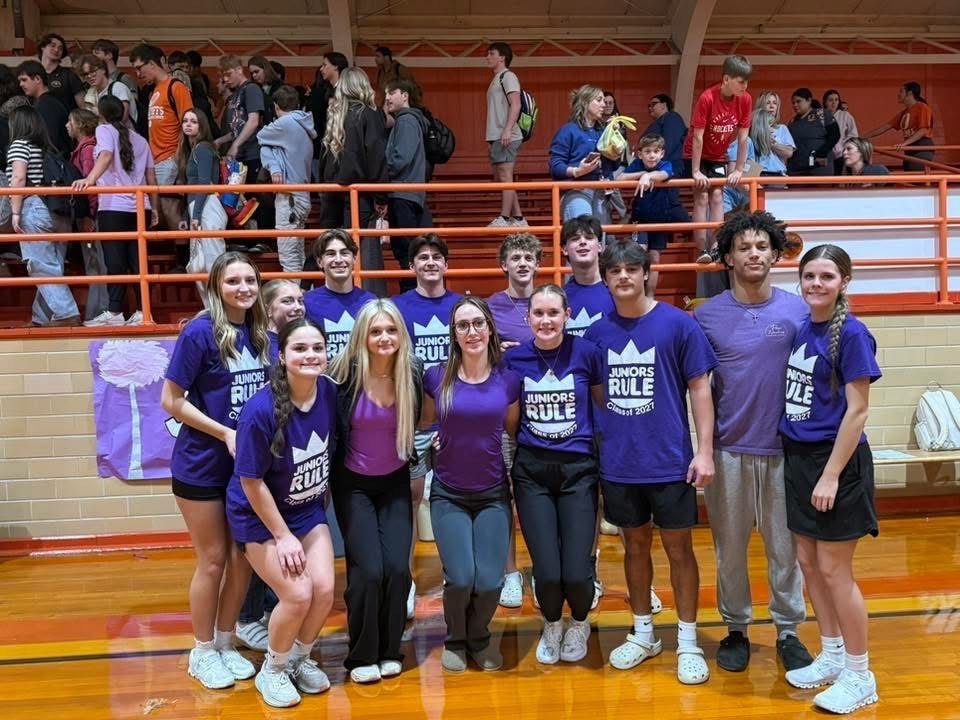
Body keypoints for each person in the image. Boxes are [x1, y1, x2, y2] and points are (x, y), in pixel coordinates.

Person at [585, 241, 717, 685]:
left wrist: (704, 450)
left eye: (631, 269)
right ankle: (644, 633)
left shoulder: (678, 325)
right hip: (621, 464)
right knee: (633, 547)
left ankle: (688, 639)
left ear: (646, 274)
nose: (623, 276)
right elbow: (596, 393)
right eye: (615, 270)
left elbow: (700, 388)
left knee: (679, 549)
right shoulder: (597, 333)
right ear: (605, 279)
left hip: (671, 461)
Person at [693, 211, 813, 674]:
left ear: (776, 253)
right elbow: (698, 387)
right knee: (730, 549)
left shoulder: (799, 311)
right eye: (744, 247)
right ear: (728, 257)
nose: (755, 253)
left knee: (786, 549)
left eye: (762, 246)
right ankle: (736, 628)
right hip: (728, 450)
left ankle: (788, 630)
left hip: (785, 452)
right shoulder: (706, 317)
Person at [160, 251, 271, 691]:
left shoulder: (263, 333)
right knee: (212, 561)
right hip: (202, 466)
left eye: (250, 280)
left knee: (243, 559)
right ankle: (202, 650)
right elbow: (171, 400)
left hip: (247, 468)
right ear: (216, 287)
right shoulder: (200, 333)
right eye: (233, 281)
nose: (243, 288)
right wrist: (224, 432)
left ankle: (226, 642)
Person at [780, 244, 881, 714]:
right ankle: (833, 655)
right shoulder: (804, 329)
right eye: (809, 276)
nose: (816, 284)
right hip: (800, 460)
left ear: (844, 283)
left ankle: (861, 675)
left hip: (836, 464)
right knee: (809, 564)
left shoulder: (853, 334)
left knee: (836, 572)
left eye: (826, 276)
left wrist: (831, 475)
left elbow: (857, 411)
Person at [228, 318, 336, 707]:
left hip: (306, 510)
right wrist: (282, 536)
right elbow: (251, 482)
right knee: (297, 593)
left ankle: (297, 661)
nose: (310, 355)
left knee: (324, 588)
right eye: (300, 348)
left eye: (317, 348)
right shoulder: (259, 411)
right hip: (259, 517)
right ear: (282, 355)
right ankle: (271, 670)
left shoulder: (328, 392)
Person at [421, 296, 521, 673]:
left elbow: (512, 429)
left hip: (493, 492)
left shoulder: (508, 380)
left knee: (491, 580)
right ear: (454, 333)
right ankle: (456, 640)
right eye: (463, 325)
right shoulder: (437, 376)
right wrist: (432, 441)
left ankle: (479, 636)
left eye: (478, 323)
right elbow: (426, 422)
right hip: (449, 492)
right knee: (461, 578)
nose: (472, 331)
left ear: (490, 328)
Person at [506, 284, 603, 665]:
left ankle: (579, 621)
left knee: (577, 573)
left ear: (566, 316)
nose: (546, 320)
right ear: (528, 318)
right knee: (547, 572)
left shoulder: (587, 354)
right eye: (538, 314)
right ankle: (551, 622)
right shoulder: (515, 361)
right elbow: (510, 421)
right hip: (532, 472)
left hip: (579, 469)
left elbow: (599, 406)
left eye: (553, 313)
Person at [328, 299, 422, 683]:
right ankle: (361, 654)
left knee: (398, 569)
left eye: (391, 330)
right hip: (354, 486)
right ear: (362, 337)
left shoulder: (410, 375)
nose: (384, 338)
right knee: (368, 571)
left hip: (395, 482)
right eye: (375, 331)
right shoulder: (342, 378)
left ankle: (389, 648)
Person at [393, 232, 463, 616]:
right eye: (423, 257)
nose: (431, 262)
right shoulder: (397, 308)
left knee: (454, 501)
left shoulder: (463, 306)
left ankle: (458, 574)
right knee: (410, 500)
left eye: (437, 256)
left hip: (456, 426)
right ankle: (405, 581)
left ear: (446, 264)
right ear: (412, 266)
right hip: (415, 423)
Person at [234, 278, 305, 653]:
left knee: (274, 541)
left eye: (301, 299)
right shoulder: (261, 343)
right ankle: (245, 619)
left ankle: (264, 612)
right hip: (253, 451)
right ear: (268, 306)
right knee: (251, 541)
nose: (297, 306)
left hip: (286, 456)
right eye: (288, 300)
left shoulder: (297, 342)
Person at [71, 96, 158, 327]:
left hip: (113, 207)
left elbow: (107, 155)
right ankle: (143, 311)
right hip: (142, 206)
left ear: (101, 113)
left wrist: (89, 179)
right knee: (138, 262)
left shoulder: (103, 130)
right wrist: (155, 208)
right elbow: (151, 178)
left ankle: (115, 311)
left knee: (115, 262)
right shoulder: (140, 139)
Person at [5, 105, 81, 326]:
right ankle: (41, 317)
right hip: (57, 210)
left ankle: (67, 313)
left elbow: (18, 178)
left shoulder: (19, 145)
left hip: (33, 207)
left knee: (40, 265)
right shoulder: (46, 147)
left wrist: (15, 212)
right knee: (51, 266)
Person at [682, 55, 753, 264]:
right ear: (726, 79)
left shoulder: (745, 99)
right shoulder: (707, 98)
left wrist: (739, 169)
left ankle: (715, 249)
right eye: (741, 81)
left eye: (747, 82)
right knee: (702, 196)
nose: (745, 86)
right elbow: (697, 136)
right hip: (696, 154)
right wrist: (696, 171)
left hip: (718, 155)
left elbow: (743, 138)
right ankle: (702, 249)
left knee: (717, 197)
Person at [129, 44, 194, 269]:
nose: (138, 73)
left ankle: (184, 260)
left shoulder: (176, 87)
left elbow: (189, 125)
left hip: (169, 158)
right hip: (156, 159)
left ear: (152, 63)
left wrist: (178, 160)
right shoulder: (156, 90)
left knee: (169, 207)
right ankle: (181, 257)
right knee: (163, 209)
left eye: (140, 68)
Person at [620, 133, 690, 298]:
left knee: (654, 258)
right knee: (638, 255)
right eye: (648, 151)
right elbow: (621, 177)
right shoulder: (637, 165)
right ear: (640, 154)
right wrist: (642, 174)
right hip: (640, 219)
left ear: (662, 153)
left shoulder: (665, 165)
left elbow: (664, 175)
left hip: (660, 218)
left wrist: (649, 176)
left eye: (656, 151)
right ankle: (637, 294)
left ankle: (650, 296)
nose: (652, 155)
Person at [319, 67, 387, 232]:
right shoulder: (370, 113)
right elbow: (375, 156)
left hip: (331, 189)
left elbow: (323, 154)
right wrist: (381, 196)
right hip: (359, 192)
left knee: (332, 245)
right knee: (357, 247)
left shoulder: (334, 114)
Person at [257, 84, 316, 274]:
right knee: (297, 254)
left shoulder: (285, 124)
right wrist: (274, 164)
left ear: (276, 106)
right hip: (301, 195)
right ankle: (302, 297)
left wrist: (271, 162)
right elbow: (266, 146)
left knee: (289, 258)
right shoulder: (302, 122)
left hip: (289, 196)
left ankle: (296, 300)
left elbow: (261, 137)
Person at [175, 108, 227, 301]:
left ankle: (220, 310)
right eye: (185, 121)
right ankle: (213, 310)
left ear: (202, 125)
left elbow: (204, 184)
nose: (188, 124)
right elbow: (195, 187)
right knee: (199, 265)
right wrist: (187, 216)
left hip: (207, 207)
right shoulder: (195, 149)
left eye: (194, 121)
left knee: (212, 264)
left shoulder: (203, 148)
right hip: (200, 207)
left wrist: (194, 215)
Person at [383, 77, 430, 291]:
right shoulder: (408, 120)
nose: (387, 97)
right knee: (408, 249)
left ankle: (411, 292)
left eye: (392, 92)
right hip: (408, 192)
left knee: (406, 250)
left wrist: (382, 173)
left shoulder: (406, 121)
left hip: (403, 192)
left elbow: (400, 159)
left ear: (405, 95)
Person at [303, 229, 377, 359]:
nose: (338, 259)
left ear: (354, 259)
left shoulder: (370, 301)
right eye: (331, 254)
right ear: (320, 262)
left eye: (344, 253)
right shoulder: (306, 302)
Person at [548, 84, 618, 222]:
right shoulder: (568, 131)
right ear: (585, 103)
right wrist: (576, 171)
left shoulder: (603, 131)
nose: (604, 104)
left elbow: (612, 166)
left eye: (604, 100)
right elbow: (554, 165)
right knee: (583, 233)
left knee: (600, 239)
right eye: (599, 100)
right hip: (575, 190)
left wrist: (615, 145)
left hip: (600, 192)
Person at [65, 107, 109, 325]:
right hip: (92, 215)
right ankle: (97, 311)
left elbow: (92, 186)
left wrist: (89, 216)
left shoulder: (86, 150)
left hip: (92, 217)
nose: (66, 126)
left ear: (79, 125)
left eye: (69, 122)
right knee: (95, 264)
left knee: (96, 264)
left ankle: (100, 312)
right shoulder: (85, 148)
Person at [485, 42, 527, 228]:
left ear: (502, 57)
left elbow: (516, 104)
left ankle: (504, 217)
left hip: (507, 134)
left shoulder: (508, 77)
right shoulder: (497, 78)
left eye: (491, 53)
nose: (488, 57)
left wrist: (508, 129)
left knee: (505, 176)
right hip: (498, 134)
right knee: (504, 176)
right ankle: (518, 218)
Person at [864, 81, 935, 172]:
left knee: (916, 175)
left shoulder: (922, 107)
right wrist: (863, 136)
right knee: (909, 173)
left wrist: (904, 144)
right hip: (909, 148)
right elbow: (886, 126)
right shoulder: (904, 113)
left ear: (909, 93)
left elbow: (923, 130)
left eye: (901, 91)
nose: (898, 94)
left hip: (921, 147)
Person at [562, 215, 614, 337]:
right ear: (564, 249)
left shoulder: (618, 291)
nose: (583, 242)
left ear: (600, 246)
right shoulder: (560, 297)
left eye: (589, 237)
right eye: (575, 239)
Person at [486, 232, 541, 347]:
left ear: (537, 265)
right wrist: (496, 352)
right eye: (516, 258)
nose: (522, 264)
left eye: (528, 258)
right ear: (504, 265)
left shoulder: (548, 301)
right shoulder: (489, 306)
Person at [16, 60, 72, 156]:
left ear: (38, 79)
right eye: (20, 81)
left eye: (24, 80)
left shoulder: (47, 104)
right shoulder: (49, 100)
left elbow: (49, 140)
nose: (21, 84)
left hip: (55, 162)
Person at [787, 88, 840, 177]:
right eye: (793, 103)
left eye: (798, 101)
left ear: (809, 100)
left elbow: (835, 135)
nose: (795, 105)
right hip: (797, 171)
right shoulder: (792, 122)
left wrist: (822, 153)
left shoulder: (822, 114)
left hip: (820, 169)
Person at [77, 54, 136, 128]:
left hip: (124, 136)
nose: (89, 76)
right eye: (85, 74)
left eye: (92, 71)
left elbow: (123, 119)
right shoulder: (91, 93)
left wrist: (99, 114)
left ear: (103, 69)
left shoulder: (118, 87)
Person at [750, 92, 795, 178]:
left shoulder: (782, 128)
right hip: (757, 174)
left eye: (775, 103)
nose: (772, 106)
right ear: (760, 107)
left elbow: (789, 153)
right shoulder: (752, 128)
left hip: (777, 174)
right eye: (768, 103)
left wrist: (771, 143)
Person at [36, 33, 84, 111]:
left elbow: (83, 107)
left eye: (60, 48)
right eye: (53, 45)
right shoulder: (33, 74)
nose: (56, 50)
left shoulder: (69, 76)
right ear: (42, 47)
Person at [643, 94, 687, 173]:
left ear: (664, 105)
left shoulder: (671, 117)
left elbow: (670, 143)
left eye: (653, 104)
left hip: (668, 168)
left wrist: (657, 166)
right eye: (649, 106)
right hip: (657, 168)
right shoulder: (659, 122)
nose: (650, 108)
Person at [823, 90, 858, 176]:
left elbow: (853, 134)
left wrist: (843, 144)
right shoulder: (820, 115)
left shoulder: (845, 115)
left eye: (836, 100)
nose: (834, 102)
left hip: (841, 152)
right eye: (830, 100)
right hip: (825, 151)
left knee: (838, 175)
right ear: (825, 102)